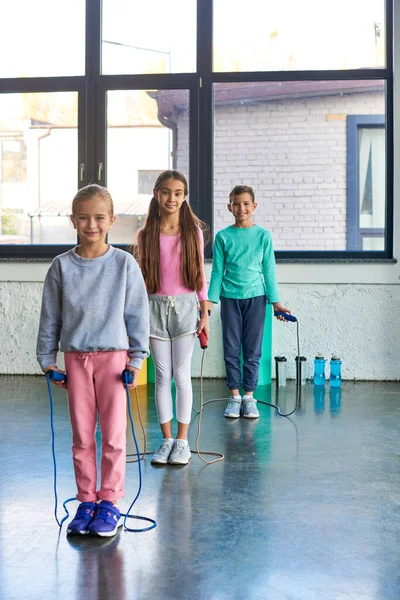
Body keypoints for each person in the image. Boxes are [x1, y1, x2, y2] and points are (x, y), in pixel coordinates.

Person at [36, 184, 149, 537]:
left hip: (114, 361)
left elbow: (137, 315)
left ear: (112, 220)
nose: (91, 224)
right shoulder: (61, 266)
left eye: (99, 218)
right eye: (83, 218)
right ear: (73, 220)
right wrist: (47, 360)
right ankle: (86, 500)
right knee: (82, 435)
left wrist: (136, 359)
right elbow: (50, 317)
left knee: (114, 436)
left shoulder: (124, 264)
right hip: (74, 360)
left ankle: (110, 503)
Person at [138, 170, 209, 466]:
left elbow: (200, 278)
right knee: (162, 377)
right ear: (156, 193)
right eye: (166, 192)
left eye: (178, 193)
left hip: (186, 308)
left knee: (181, 376)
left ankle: (182, 441)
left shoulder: (194, 233)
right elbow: (141, 279)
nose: (172, 198)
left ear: (184, 196)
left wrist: (204, 312)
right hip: (153, 308)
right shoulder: (146, 235)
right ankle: (166, 440)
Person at [208, 184, 291, 419]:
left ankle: (249, 396)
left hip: (256, 298)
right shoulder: (223, 237)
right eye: (236, 203)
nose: (241, 208)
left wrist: (276, 302)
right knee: (231, 349)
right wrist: (210, 302)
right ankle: (235, 396)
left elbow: (269, 270)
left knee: (252, 350)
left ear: (254, 206)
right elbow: (217, 272)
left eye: (246, 204)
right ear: (229, 207)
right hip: (230, 298)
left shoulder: (264, 236)